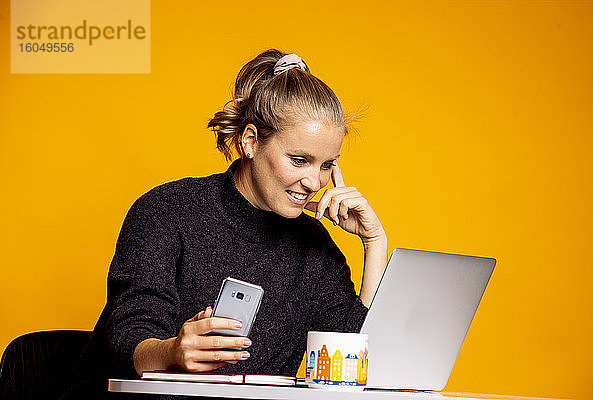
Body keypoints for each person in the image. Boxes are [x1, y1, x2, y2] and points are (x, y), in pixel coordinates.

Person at [59, 48, 387, 400]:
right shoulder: (167, 210)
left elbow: (355, 360)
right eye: (299, 160)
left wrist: (375, 243)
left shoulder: (315, 248)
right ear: (250, 142)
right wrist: (172, 351)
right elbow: (127, 340)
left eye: (326, 165)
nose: (314, 182)